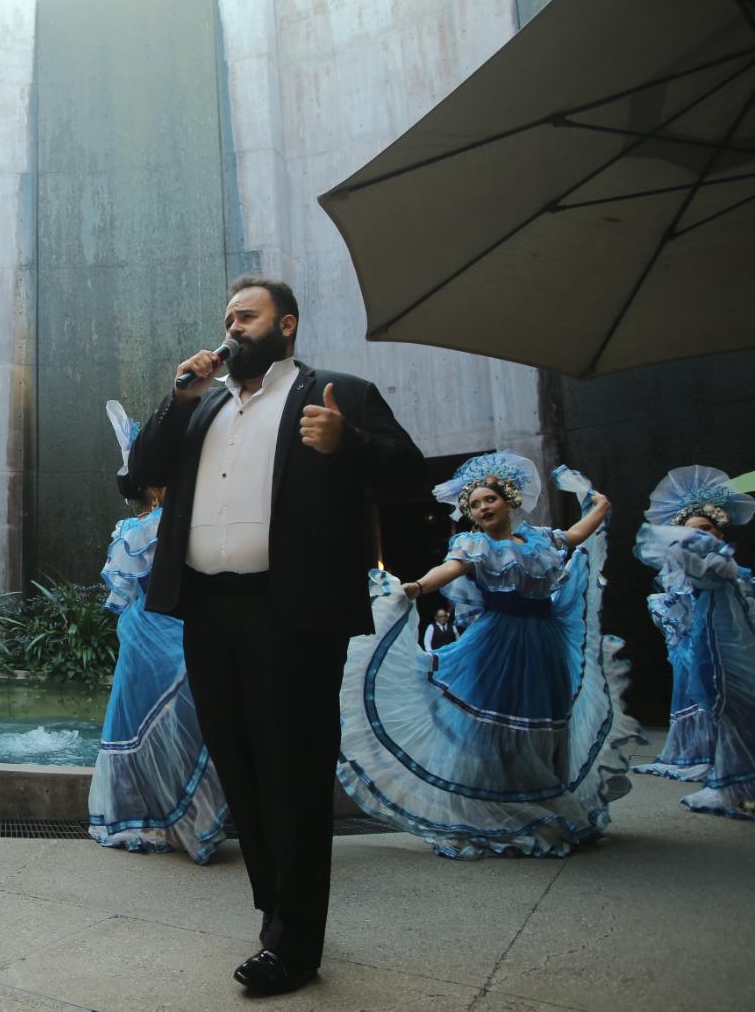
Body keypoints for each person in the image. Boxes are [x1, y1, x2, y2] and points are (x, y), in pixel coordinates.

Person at [126, 275, 425, 996]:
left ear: (284, 326)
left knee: (293, 769)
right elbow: (140, 472)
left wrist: (346, 443)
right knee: (242, 764)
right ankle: (275, 912)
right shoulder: (206, 406)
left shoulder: (337, 393)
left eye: (246, 316)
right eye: (226, 316)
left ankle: (294, 945)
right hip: (208, 610)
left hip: (292, 611)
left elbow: (411, 474)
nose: (231, 327)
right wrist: (178, 395)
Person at [337, 452, 644, 859]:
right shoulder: (473, 546)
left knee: (542, 723)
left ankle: (541, 806)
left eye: (489, 500)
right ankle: (492, 813)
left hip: (545, 645)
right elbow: (446, 571)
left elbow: (573, 536)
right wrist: (414, 588)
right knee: (490, 728)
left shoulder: (539, 541)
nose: (483, 508)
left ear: (508, 500)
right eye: (475, 505)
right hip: (496, 646)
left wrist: (600, 507)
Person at [88, 400, 228, 863]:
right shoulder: (138, 529)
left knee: (193, 721)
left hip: (181, 628)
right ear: (152, 484)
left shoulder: (189, 521)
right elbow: (128, 591)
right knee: (154, 722)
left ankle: (192, 819)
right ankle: (155, 819)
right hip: (150, 633)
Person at [632, 466, 755, 819]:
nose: (704, 537)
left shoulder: (733, 570)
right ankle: (730, 780)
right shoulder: (696, 568)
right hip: (709, 647)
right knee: (727, 706)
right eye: (695, 531)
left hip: (736, 646)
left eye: (709, 529)